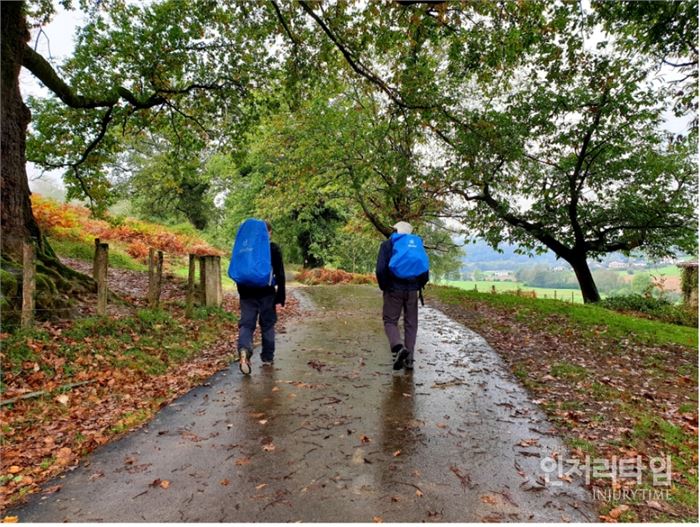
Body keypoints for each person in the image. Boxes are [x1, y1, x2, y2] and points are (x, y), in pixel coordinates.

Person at [375, 221, 429, 371]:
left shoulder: (387, 245)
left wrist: (384, 286)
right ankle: (410, 359)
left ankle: (398, 348)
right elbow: (424, 270)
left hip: (393, 289)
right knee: (411, 323)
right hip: (412, 290)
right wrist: (418, 285)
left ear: (396, 230)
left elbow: (380, 270)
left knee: (390, 321)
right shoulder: (417, 246)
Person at [236, 221, 285, 374]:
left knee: (246, 324)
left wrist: (241, 292)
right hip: (266, 293)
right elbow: (280, 274)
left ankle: (244, 350)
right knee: (268, 325)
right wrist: (280, 295)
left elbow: (239, 270)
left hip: (246, 293)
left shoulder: (244, 248)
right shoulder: (272, 248)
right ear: (268, 232)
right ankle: (267, 358)